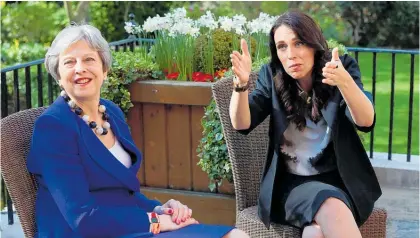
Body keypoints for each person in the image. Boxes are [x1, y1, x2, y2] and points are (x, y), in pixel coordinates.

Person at [27, 23, 249, 238]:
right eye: (69, 62)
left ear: (104, 70)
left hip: (127, 225)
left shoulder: (111, 112)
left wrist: (161, 209)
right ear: (58, 77)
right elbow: (82, 217)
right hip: (81, 232)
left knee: (236, 235)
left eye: (89, 59)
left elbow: (124, 192)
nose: (80, 68)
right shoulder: (53, 127)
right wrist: (155, 221)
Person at [229, 11, 382, 238]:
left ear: (314, 44)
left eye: (298, 43)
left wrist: (345, 83)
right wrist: (240, 86)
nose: (290, 54)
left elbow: (365, 121)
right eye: (282, 46)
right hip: (290, 186)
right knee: (330, 204)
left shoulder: (340, 68)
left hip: (341, 181)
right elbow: (242, 124)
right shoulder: (271, 75)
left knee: (315, 233)